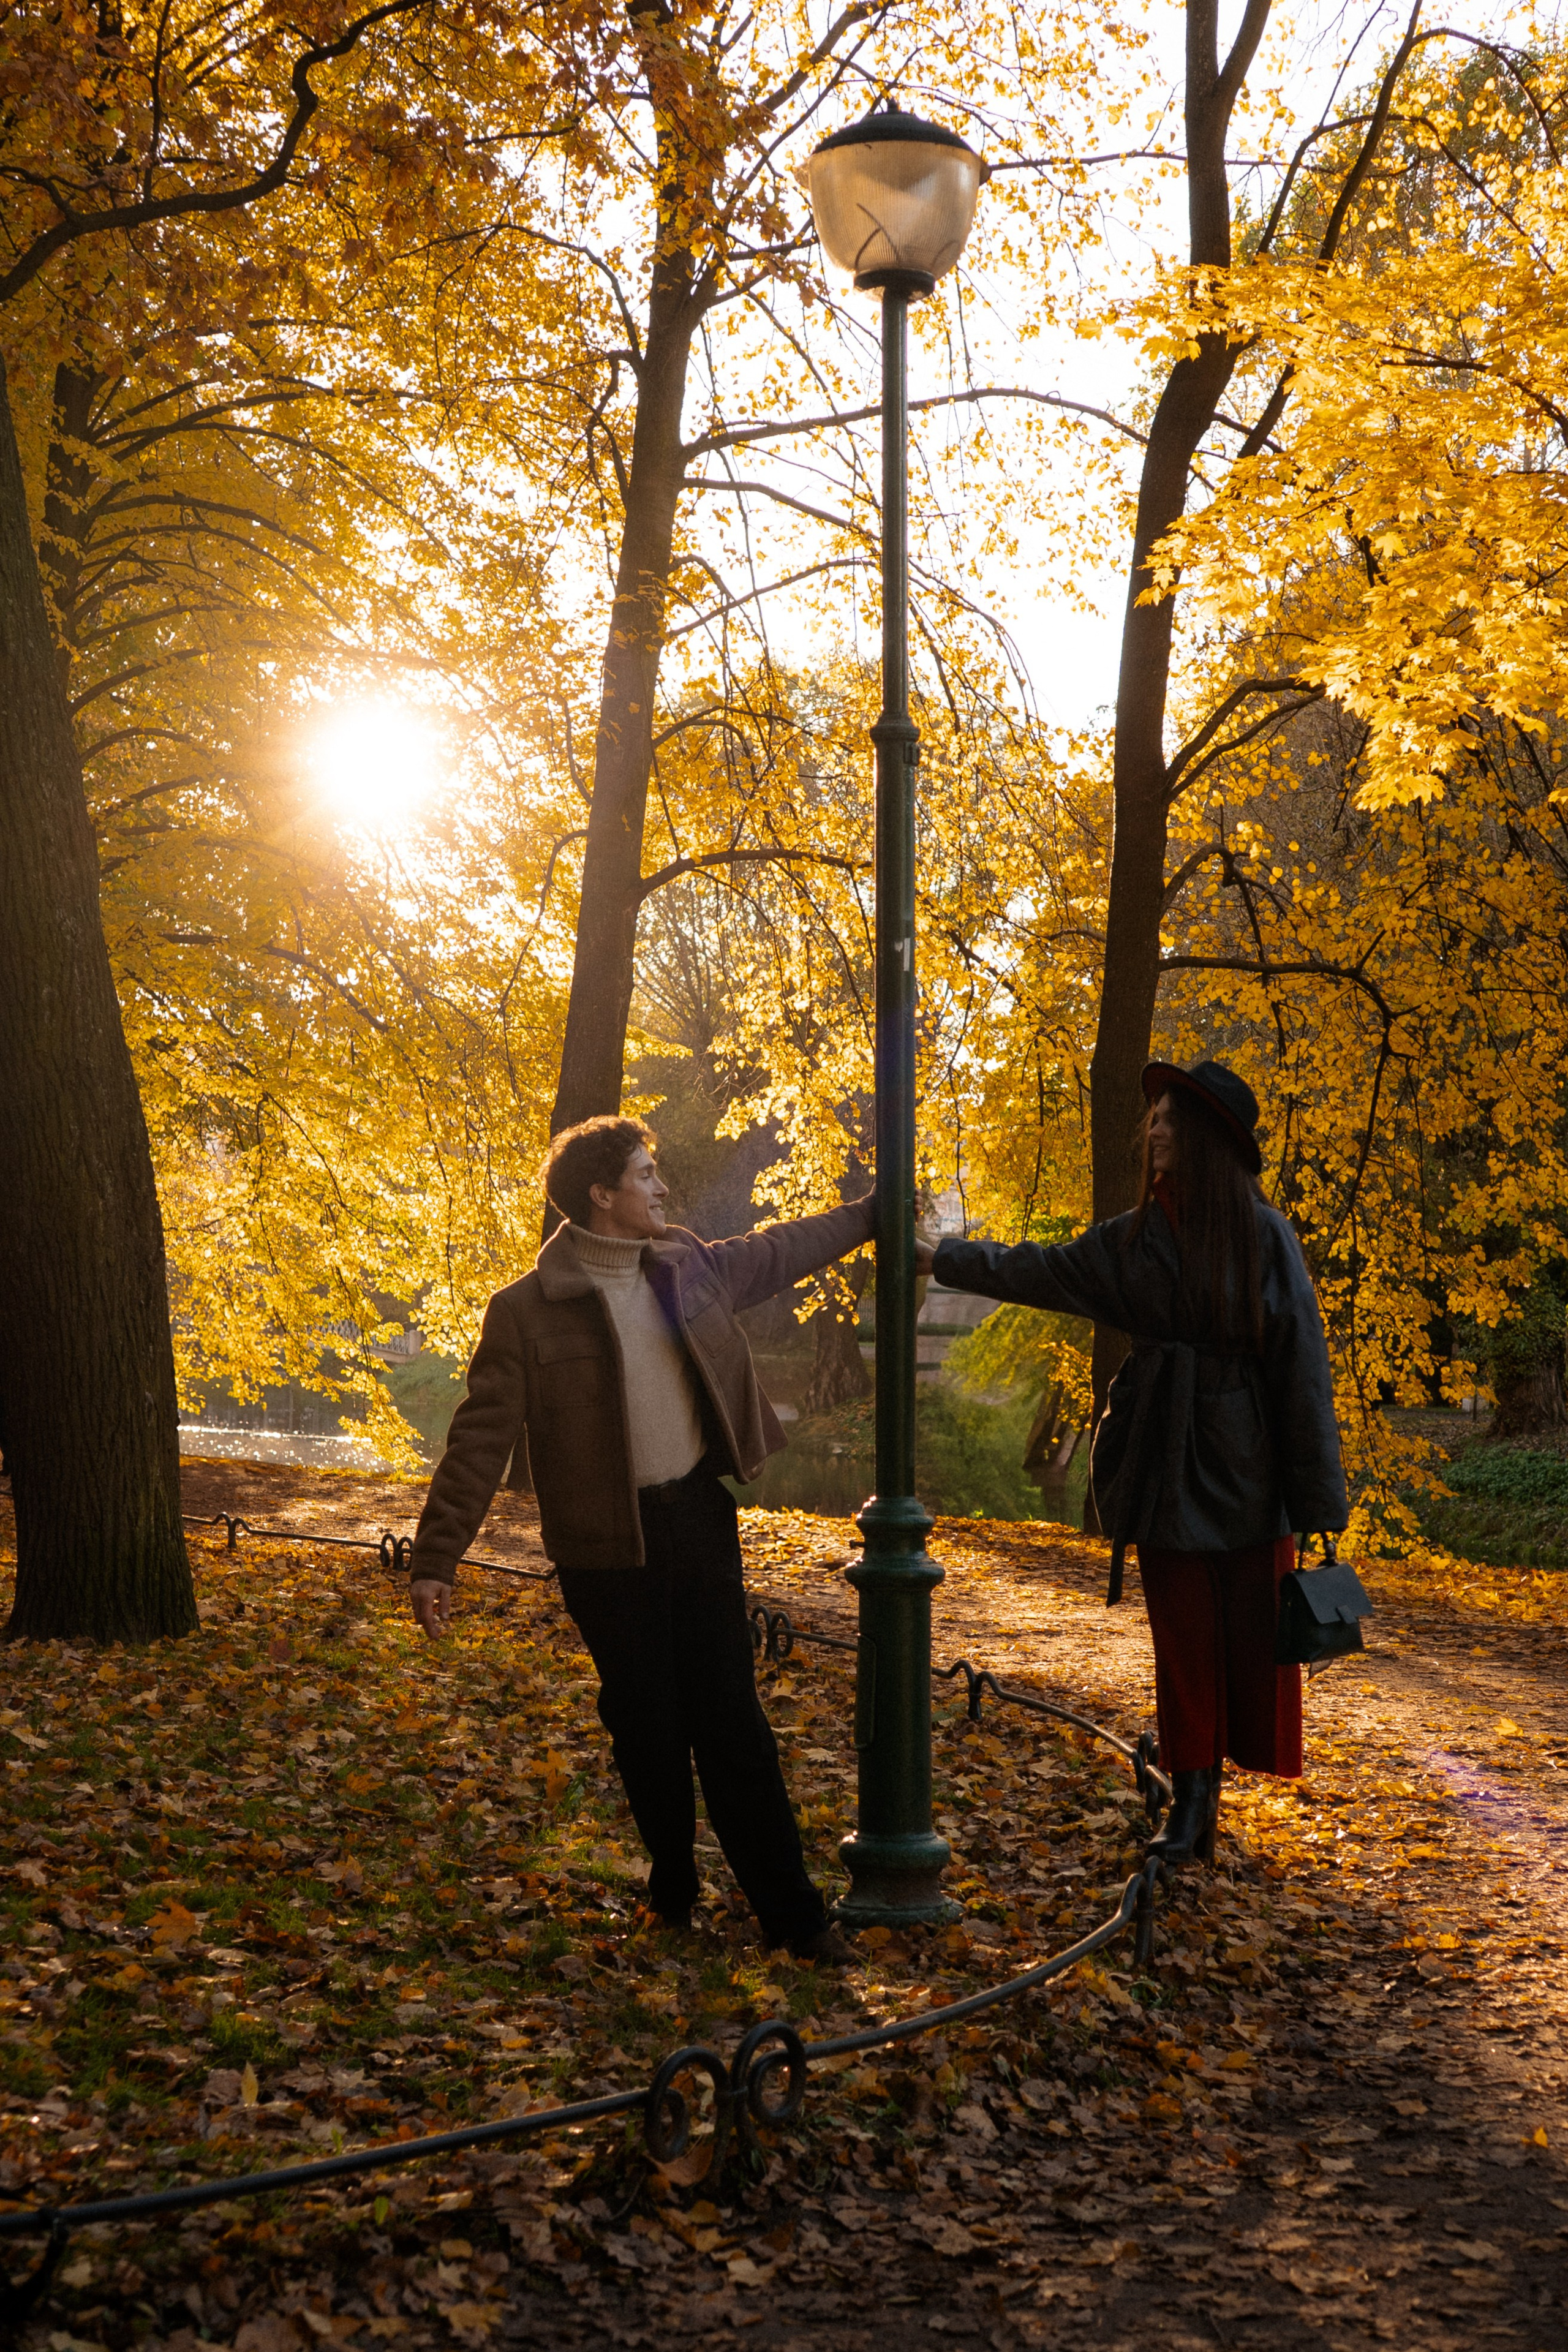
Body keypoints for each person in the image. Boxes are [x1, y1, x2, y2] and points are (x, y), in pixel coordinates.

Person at [408, 1115, 873, 1959]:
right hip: (603, 1552)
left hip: (696, 1518)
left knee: (732, 1721)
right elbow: (480, 1439)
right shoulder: (525, 1311)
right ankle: (674, 1885)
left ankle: (795, 1916)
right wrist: (436, 1557)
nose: (662, 1189)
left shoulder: (685, 1266)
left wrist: (868, 1215)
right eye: (647, 1175)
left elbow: (780, 1250)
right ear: (602, 1193)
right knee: (647, 1726)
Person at [918, 1060, 1348, 1864]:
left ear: (1208, 1140)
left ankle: (1215, 1791)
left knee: (1252, 1642)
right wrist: (944, 1258)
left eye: (1169, 1119)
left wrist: (1319, 1501)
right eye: (1151, 1115)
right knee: (1183, 1640)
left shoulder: (1263, 1236)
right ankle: (1190, 1806)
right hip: (1162, 1459)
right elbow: (1038, 1267)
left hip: (1252, 1463)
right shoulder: (1132, 1239)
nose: (1152, 1129)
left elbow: (1302, 1366)